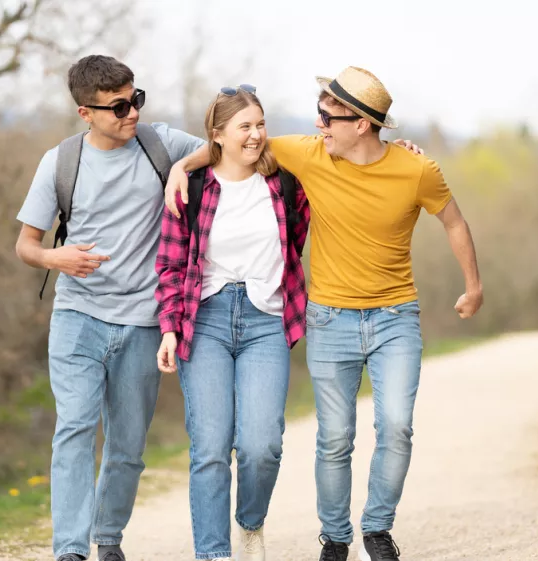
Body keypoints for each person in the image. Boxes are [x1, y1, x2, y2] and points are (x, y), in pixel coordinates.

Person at [165, 66, 484, 561]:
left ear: (360, 124)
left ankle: (369, 528)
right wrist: (179, 167)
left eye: (327, 116)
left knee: (377, 428)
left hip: (359, 317)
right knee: (307, 440)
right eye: (317, 115)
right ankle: (311, 540)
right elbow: (227, 150)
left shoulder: (396, 170)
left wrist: (473, 286)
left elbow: (453, 219)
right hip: (295, 319)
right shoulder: (295, 158)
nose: (318, 124)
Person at [14, 54, 205, 561]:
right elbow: (26, 245)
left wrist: (184, 167)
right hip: (78, 317)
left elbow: (230, 147)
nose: (132, 113)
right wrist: (57, 256)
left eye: (135, 99)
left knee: (126, 448)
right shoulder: (61, 162)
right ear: (86, 113)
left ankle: (108, 539)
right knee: (74, 429)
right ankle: (70, 550)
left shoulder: (161, 144)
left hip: (144, 322)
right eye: (118, 107)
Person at [154, 84, 310, 561]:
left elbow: (298, 240)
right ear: (217, 135)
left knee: (262, 444)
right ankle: (214, 554)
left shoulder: (285, 184)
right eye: (245, 126)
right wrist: (168, 327)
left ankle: (250, 522)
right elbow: (170, 264)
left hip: (266, 319)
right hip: (206, 321)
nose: (256, 135)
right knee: (210, 449)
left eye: (261, 124)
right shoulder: (193, 189)